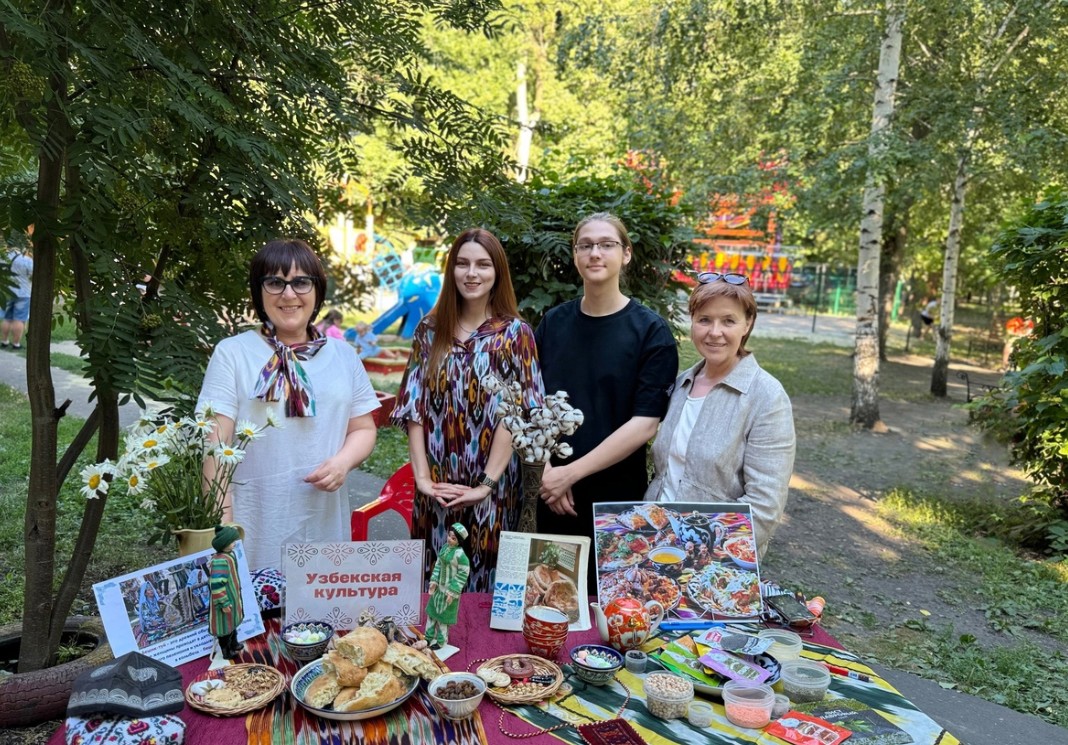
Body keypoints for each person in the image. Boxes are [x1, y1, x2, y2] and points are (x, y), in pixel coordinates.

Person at [197, 238, 379, 570]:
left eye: (300, 282)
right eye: (275, 282)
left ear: (317, 290)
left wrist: (342, 463)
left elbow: (363, 428)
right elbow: (215, 446)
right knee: (255, 618)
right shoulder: (233, 353)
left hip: (323, 522)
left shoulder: (343, 356)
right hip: (253, 525)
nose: (289, 294)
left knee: (317, 619)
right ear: (259, 291)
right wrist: (222, 532)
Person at [392, 228, 543, 592]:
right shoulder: (429, 330)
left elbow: (516, 413)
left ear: (497, 273)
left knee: (484, 584)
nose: (471, 273)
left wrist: (486, 485)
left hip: (492, 488)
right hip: (437, 488)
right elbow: (415, 409)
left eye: (482, 264)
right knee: (434, 586)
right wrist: (423, 479)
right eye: (462, 264)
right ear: (451, 270)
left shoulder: (514, 334)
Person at [534, 213, 678, 554]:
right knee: (549, 598)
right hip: (550, 493)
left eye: (606, 245)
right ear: (575, 255)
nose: (594, 253)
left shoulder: (650, 333)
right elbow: (530, 403)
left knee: (613, 604)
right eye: (585, 245)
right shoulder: (553, 324)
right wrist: (546, 471)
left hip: (616, 504)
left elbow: (645, 424)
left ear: (625, 254)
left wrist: (569, 475)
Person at [645, 272, 795, 559]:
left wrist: (696, 554)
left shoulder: (766, 397)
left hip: (713, 562)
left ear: (747, 323)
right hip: (654, 544)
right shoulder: (679, 385)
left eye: (728, 320)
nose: (715, 332)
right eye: (704, 320)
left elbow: (764, 508)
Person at [424, 523, 471, 649]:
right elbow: (438, 564)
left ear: (459, 541)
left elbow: (464, 572)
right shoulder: (444, 548)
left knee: (443, 620)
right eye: (449, 536)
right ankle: (427, 638)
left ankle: (440, 642)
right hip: (438, 589)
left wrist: (453, 590)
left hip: (449, 592)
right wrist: (434, 580)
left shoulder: (460, 555)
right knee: (432, 614)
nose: (449, 539)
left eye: (454, 538)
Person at [208, 525, 245, 660]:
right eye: (231, 541)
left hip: (232, 598)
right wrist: (223, 603)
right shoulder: (220, 561)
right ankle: (226, 650)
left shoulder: (229, 555)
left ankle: (234, 644)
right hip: (224, 602)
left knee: (232, 625)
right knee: (224, 629)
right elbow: (217, 585)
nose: (234, 543)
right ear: (223, 543)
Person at [1, 227, 33, 351]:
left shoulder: (3, 258)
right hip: (23, 293)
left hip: (7, 292)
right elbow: (34, 274)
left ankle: (4, 341)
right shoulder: (26, 261)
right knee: (19, 319)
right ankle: (16, 344)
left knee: (7, 318)